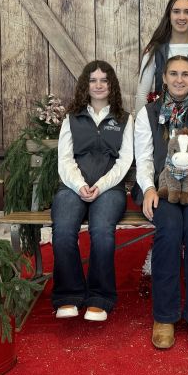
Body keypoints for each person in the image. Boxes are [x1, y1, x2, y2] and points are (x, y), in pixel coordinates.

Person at [134, 55, 188, 349]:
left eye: (186, 74)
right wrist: (147, 188)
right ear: (165, 78)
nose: (180, 79)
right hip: (161, 189)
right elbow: (144, 159)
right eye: (174, 73)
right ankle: (165, 316)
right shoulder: (148, 114)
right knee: (169, 229)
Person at [51, 60, 134, 321]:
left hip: (109, 189)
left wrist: (100, 186)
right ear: (85, 85)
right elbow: (64, 159)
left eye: (104, 80)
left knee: (102, 233)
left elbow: (125, 160)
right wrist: (79, 185)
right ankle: (68, 295)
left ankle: (100, 297)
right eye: (93, 80)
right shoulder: (72, 118)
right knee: (63, 231)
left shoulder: (124, 119)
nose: (98, 85)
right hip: (73, 187)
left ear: (112, 85)